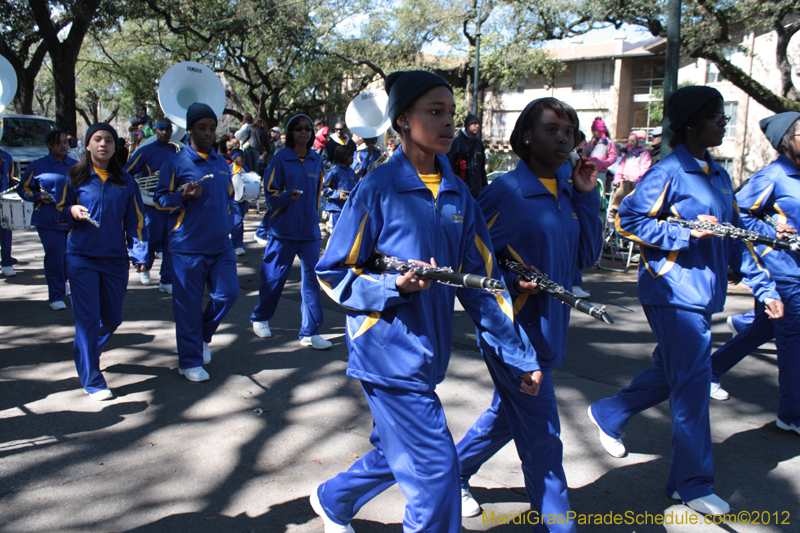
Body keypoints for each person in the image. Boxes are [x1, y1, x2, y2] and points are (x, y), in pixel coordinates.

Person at [310, 70, 542, 533]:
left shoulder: (459, 194)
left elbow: (484, 285)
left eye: (450, 113)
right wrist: (392, 288)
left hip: (429, 356)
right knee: (436, 475)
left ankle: (334, 498)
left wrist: (518, 355)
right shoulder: (376, 189)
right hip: (385, 354)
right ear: (402, 120)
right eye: (434, 112)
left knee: (397, 450)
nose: (447, 123)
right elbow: (332, 273)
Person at [587, 86, 783, 516]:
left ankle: (610, 411)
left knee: (675, 369)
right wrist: (685, 232)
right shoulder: (668, 170)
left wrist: (764, 288)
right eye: (717, 116)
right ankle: (691, 483)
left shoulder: (719, 173)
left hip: (704, 294)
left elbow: (737, 240)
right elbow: (628, 219)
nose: (724, 123)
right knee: (694, 384)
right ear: (692, 122)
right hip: (671, 292)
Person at [455, 98, 602, 527]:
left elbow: (588, 255)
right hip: (513, 334)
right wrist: (511, 277)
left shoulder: (568, 184)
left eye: (570, 130)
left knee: (507, 416)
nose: (564, 138)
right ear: (525, 137)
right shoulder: (506, 191)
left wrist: (587, 196)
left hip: (552, 329)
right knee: (544, 438)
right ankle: (558, 522)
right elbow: (470, 258)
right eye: (552, 129)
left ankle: (453, 472)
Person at [707, 112, 800, 434]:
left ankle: (711, 369)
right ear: (787, 140)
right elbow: (739, 213)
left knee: (765, 328)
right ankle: (792, 414)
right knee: (794, 339)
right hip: (782, 271)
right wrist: (774, 227)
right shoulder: (774, 175)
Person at [54, 123, 147, 400]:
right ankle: (93, 379)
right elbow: (57, 214)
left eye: (108, 140)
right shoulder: (73, 178)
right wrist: (71, 210)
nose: (103, 144)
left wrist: (140, 253)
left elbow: (136, 221)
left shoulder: (126, 182)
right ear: (88, 145)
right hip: (81, 258)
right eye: (97, 139)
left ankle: (87, 349)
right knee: (87, 320)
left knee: (112, 318)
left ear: (115, 146)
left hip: (115, 260)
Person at [154, 103, 240, 383]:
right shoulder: (176, 163)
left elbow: (228, 197)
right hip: (187, 247)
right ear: (189, 129)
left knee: (228, 294)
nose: (208, 133)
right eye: (201, 128)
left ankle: (202, 335)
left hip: (220, 246)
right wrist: (183, 196)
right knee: (187, 307)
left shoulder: (221, 162)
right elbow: (159, 200)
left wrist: (231, 219)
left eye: (212, 128)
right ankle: (188, 361)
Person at [250, 114, 331, 349]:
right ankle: (260, 317)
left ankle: (310, 331)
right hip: (282, 231)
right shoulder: (280, 159)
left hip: (308, 233)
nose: (304, 132)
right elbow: (270, 197)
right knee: (273, 279)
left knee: (312, 283)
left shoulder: (316, 160)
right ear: (290, 132)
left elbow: (318, 195)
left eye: (308, 128)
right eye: (298, 129)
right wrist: (286, 197)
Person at [17, 130, 78, 308]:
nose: (62, 146)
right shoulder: (37, 165)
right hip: (48, 219)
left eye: (65, 142)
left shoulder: (76, 165)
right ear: (50, 145)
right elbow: (24, 188)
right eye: (58, 143)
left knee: (71, 256)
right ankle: (56, 296)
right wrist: (37, 197)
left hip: (71, 218)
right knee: (55, 257)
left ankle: (63, 282)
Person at [124, 118, 180, 293]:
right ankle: (145, 266)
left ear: (171, 132)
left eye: (167, 130)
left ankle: (167, 280)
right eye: (160, 129)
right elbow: (127, 171)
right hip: (151, 202)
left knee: (171, 243)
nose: (164, 133)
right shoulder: (145, 151)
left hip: (171, 202)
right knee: (153, 238)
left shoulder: (177, 150)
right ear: (155, 131)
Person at [607, 130, 652, 227]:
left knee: (632, 205)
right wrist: (618, 177)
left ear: (638, 142)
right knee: (618, 201)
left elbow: (645, 168)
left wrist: (639, 179)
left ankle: (630, 223)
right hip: (624, 182)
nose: (630, 143)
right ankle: (614, 220)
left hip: (635, 184)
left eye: (633, 141)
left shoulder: (644, 154)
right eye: (629, 141)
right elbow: (621, 166)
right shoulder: (626, 154)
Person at [447, 113, 488, 199]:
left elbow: (482, 170)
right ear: (467, 126)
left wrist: (485, 189)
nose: (477, 126)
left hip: (477, 192)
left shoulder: (479, 144)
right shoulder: (456, 142)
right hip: (460, 190)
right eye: (474, 124)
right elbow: (448, 165)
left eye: (478, 124)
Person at [322, 145, 357, 231]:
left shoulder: (352, 173)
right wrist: (338, 194)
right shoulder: (334, 172)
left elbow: (356, 188)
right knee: (337, 231)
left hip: (349, 207)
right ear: (344, 157)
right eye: (350, 157)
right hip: (337, 208)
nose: (353, 159)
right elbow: (323, 188)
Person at [584, 117, 617, 191]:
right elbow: (584, 154)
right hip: (589, 170)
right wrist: (590, 145)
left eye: (595, 130)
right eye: (593, 130)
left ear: (601, 130)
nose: (594, 133)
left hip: (600, 172)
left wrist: (604, 164)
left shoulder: (608, 143)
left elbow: (613, 156)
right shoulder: (592, 142)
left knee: (599, 190)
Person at [228, 148, 250, 256]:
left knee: (237, 221)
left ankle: (232, 244)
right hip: (233, 199)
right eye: (242, 156)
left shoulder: (245, 168)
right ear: (234, 159)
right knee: (238, 221)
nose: (244, 159)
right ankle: (237, 246)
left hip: (243, 199)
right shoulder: (229, 169)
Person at [0, 147, 17, 277]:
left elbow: (10, 178)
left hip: (3, 200)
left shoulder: (6, 156)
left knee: (6, 230)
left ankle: (6, 262)